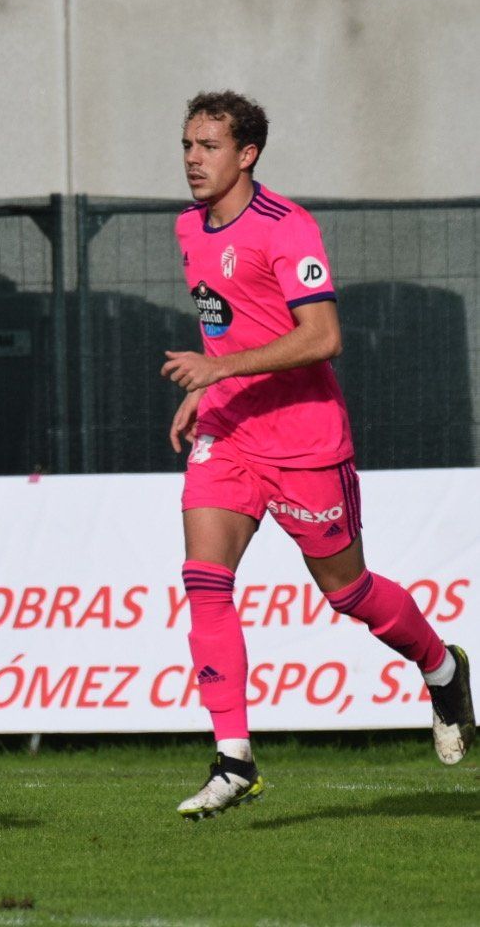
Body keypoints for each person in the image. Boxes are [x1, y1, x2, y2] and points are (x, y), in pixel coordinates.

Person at [164, 90, 474, 820]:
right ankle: (233, 758)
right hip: (231, 434)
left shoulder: (287, 227)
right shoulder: (186, 228)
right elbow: (227, 333)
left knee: (348, 590)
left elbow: (323, 336)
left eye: (208, 147)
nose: (192, 161)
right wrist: (206, 388)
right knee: (205, 579)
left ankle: (441, 666)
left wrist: (220, 372)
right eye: (186, 146)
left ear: (248, 155)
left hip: (304, 440)